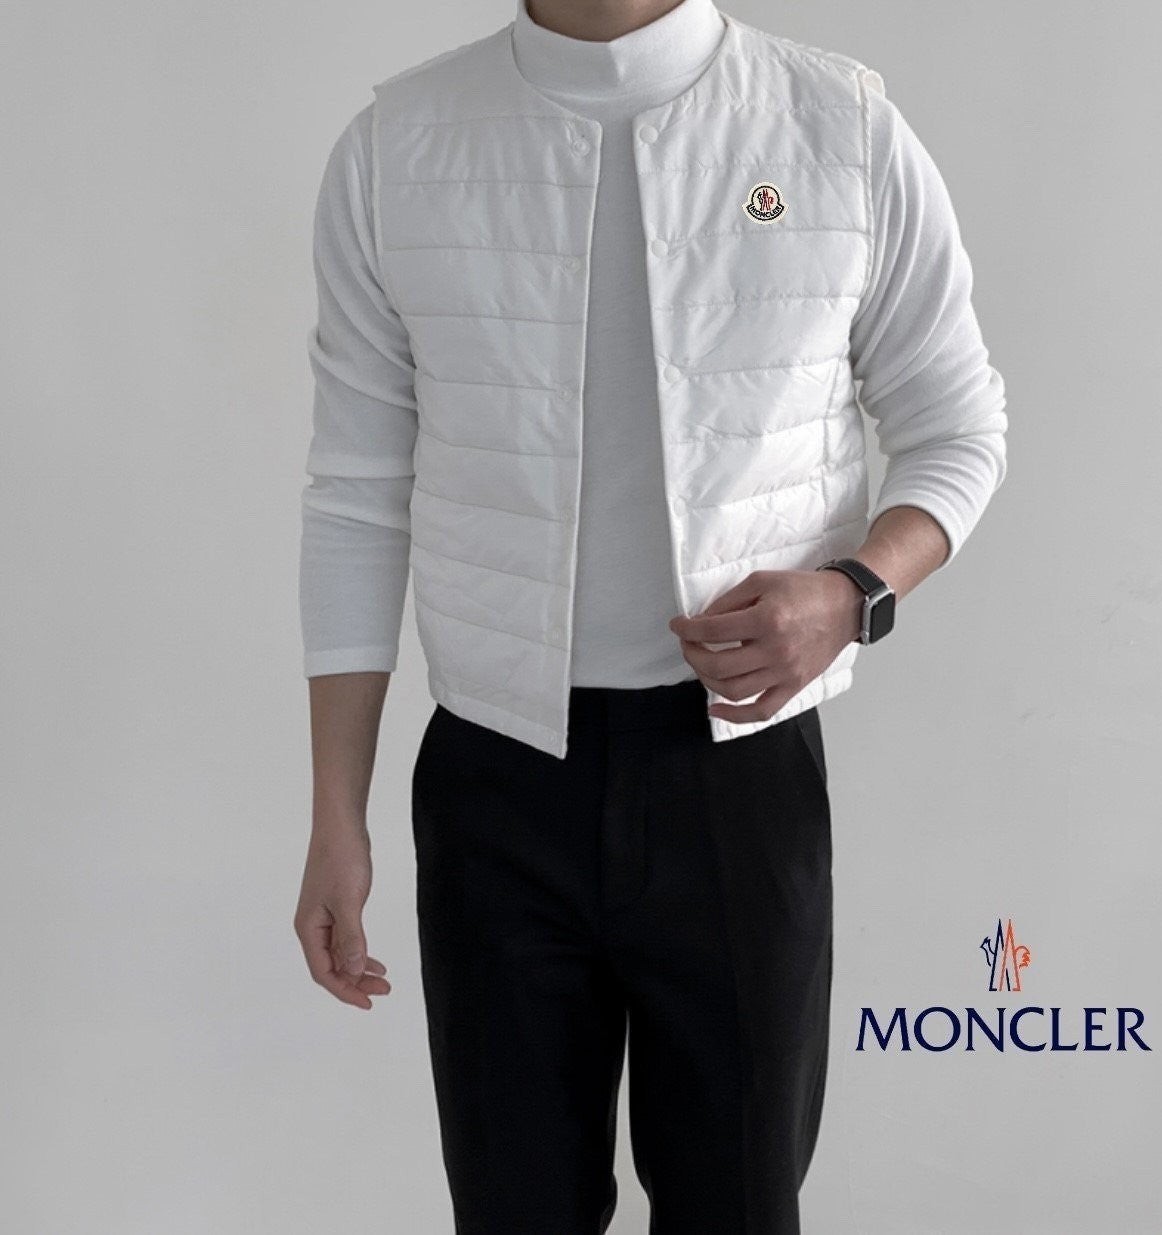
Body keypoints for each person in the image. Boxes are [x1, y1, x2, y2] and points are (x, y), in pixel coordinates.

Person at [292, 0, 1008, 1230]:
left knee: (739, 1205)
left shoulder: (840, 126)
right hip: (495, 782)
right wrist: (334, 813)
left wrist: (852, 593)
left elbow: (958, 425)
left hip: (738, 776)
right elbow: (356, 495)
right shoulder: (399, 146)